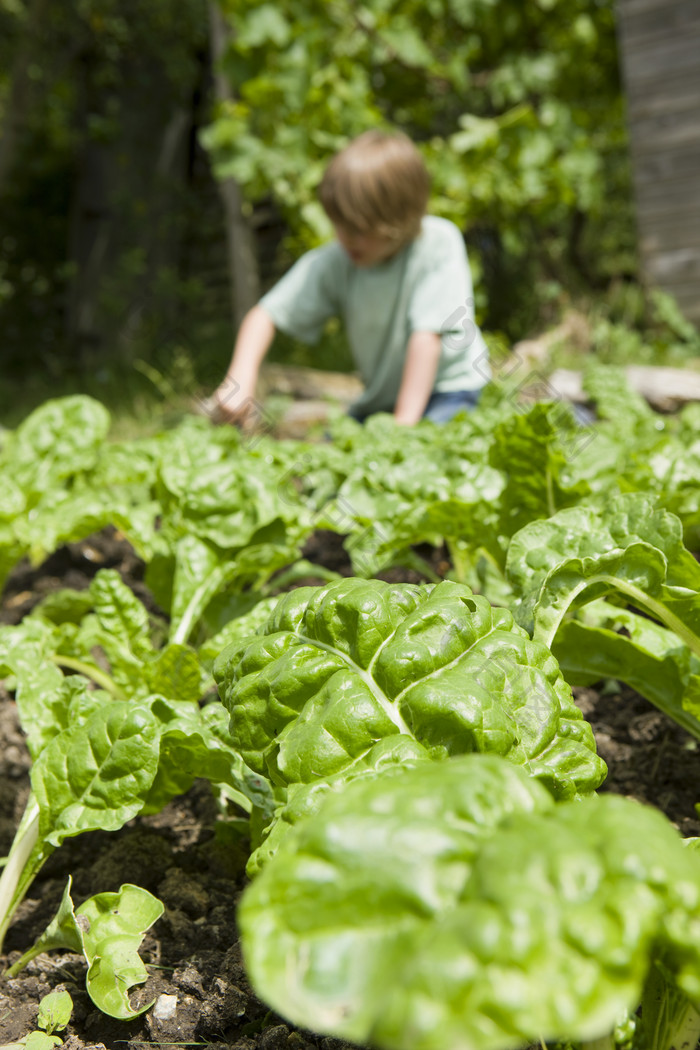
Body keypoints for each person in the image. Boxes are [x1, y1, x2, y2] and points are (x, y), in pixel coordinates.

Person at [210, 129, 489, 427]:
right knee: (337, 450)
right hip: (382, 399)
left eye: (358, 230)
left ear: (399, 220)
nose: (344, 239)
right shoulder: (340, 259)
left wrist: (403, 428)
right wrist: (239, 379)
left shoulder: (437, 243)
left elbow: (426, 341)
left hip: (448, 391)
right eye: (338, 226)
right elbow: (264, 316)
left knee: (430, 446)